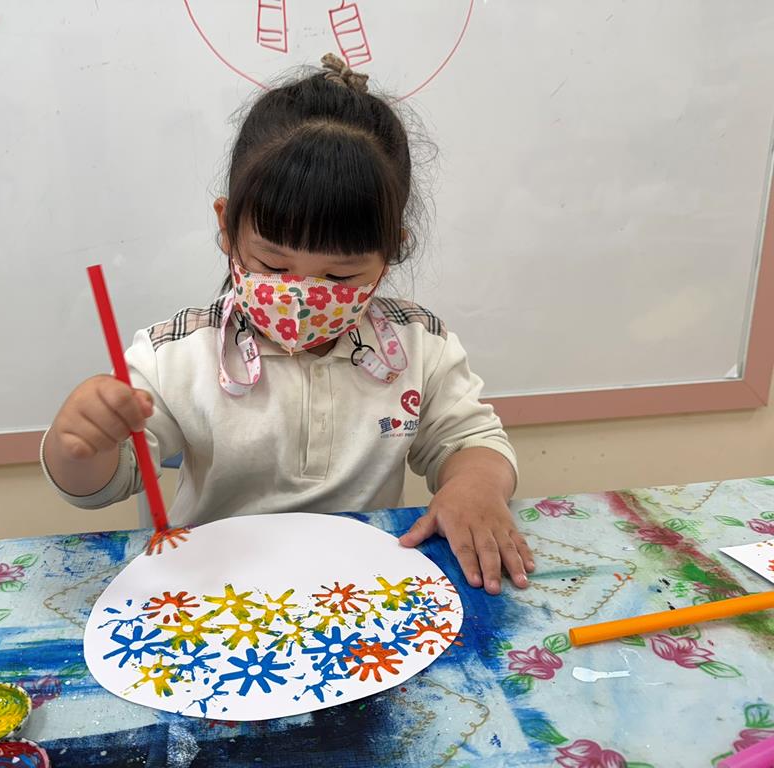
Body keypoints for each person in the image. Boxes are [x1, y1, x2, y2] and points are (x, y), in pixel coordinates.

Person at [42, 54, 533, 594]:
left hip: (358, 590)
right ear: (227, 227)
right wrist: (79, 445)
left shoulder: (418, 346)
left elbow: (469, 440)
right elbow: (101, 486)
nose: (301, 297)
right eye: (273, 266)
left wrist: (476, 483)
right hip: (217, 594)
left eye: (339, 275)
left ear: (393, 250)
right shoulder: (176, 354)